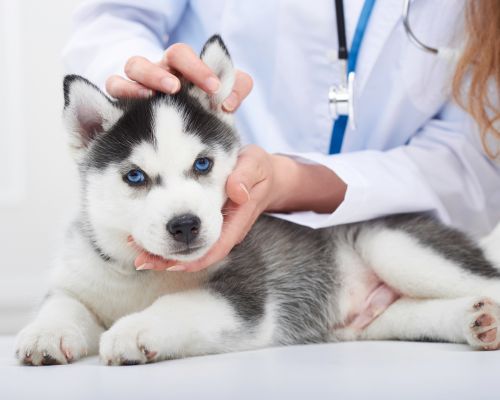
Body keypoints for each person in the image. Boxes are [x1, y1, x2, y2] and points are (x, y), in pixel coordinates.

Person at [63, 0, 500, 272]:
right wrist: (144, 86)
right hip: (202, 258)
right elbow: (113, 17)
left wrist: (292, 182)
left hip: (394, 252)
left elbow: (473, 162)